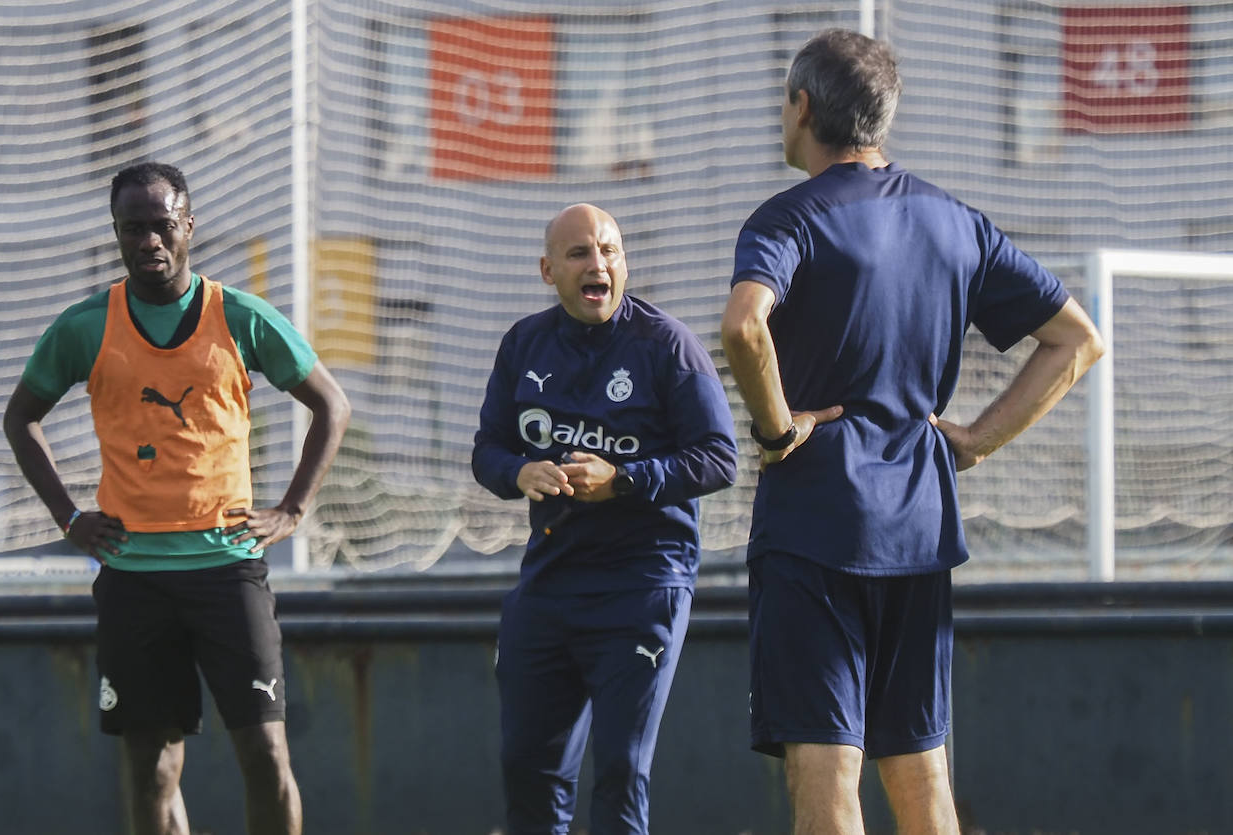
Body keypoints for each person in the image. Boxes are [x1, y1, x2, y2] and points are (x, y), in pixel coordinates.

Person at [720, 30, 1104, 835]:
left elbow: (743, 326)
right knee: (920, 766)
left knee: (825, 768)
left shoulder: (787, 218)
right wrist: (974, 440)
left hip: (818, 521)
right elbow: (1078, 339)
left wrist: (778, 428)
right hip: (921, 524)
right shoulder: (954, 219)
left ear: (802, 107)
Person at [3, 162, 350, 835]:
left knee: (266, 753)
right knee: (152, 767)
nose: (148, 242)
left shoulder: (240, 316)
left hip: (228, 569)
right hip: (134, 578)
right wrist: (69, 517)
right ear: (117, 234)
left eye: (161, 226)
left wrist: (293, 509)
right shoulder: (85, 326)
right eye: (133, 229)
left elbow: (330, 405)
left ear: (188, 226)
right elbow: (21, 417)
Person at [472, 203, 738, 834]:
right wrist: (520, 473)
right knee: (528, 769)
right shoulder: (524, 344)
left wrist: (623, 480)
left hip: (643, 586)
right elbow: (488, 451)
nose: (599, 265)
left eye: (610, 251)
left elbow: (720, 458)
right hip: (551, 584)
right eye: (580, 254)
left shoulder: (666, 346)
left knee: (621, 768)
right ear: (548, 271)